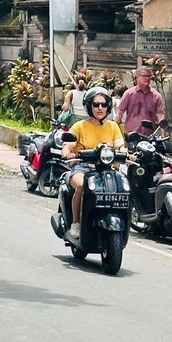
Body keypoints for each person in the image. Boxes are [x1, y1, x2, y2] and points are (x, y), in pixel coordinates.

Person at [61, 85, 125, 242]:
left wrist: (126, 152)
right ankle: (76, 223)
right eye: (96, 104)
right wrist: (68, 153)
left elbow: (120, 145)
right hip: (82, 168)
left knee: (123, 186)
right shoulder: (80, 126)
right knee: (82, 186)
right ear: (89, 106)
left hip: (106, 170)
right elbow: (67, 145)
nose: (100, 108)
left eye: (103, 105)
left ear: (108, 107)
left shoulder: (113, 126)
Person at [115, 65, 166, 137]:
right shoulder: (129, 94)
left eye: (149, 76)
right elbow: (119, 114)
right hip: (131, 136)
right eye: (144, 76)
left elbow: (161, 116)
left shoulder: (156, 96)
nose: (147, 78)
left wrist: (163, 135)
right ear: (137, 77)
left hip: (148, 137)